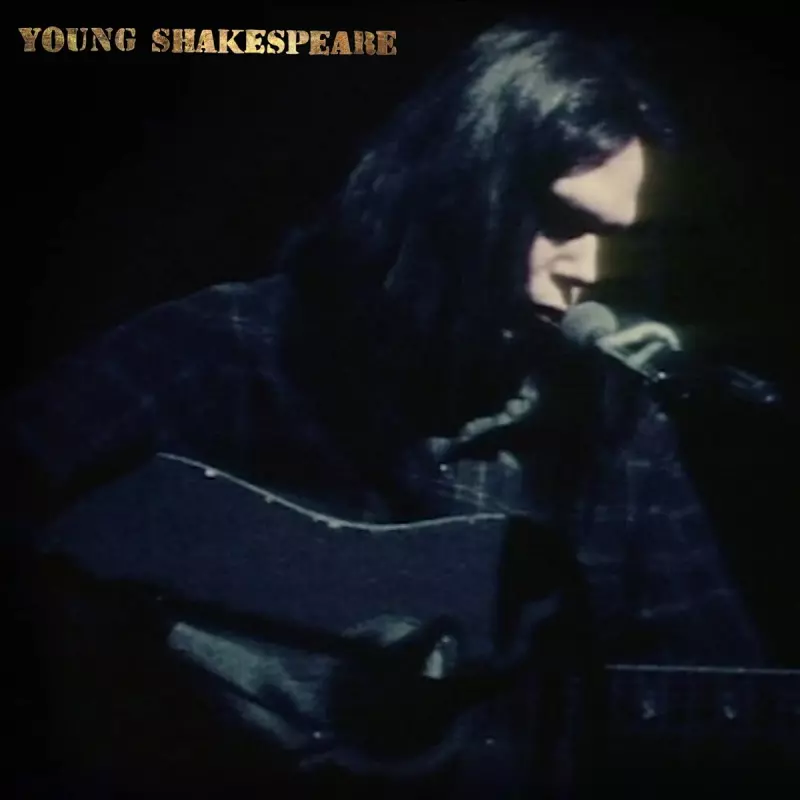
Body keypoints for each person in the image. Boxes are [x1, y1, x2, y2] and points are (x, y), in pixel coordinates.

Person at [5, 17, 773, 798]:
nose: (590, 270)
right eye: (560, 222)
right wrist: (145, 681)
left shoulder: (620, 435)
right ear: (456, 191)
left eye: (614, 238)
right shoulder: (231, 348)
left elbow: (729, 700)